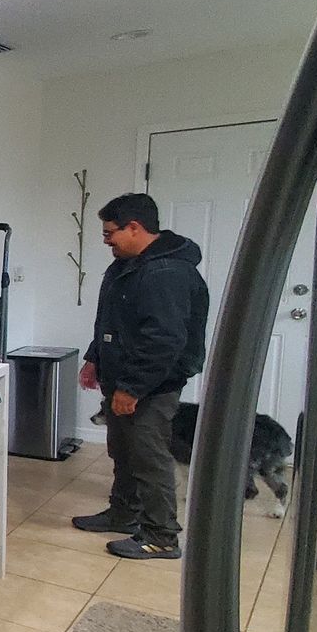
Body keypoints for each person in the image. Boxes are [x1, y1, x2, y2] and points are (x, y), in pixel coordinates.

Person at [74, 193, 209, 560]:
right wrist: (94, 358)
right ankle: (123, 514)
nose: (106, 241)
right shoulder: (127, 265)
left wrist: (132, 388)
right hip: (122, 377)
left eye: (109, 233)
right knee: (124, 451)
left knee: (149, 457)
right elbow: (112, 321)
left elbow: (163, 340)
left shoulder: (166, 272)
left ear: (134, 227)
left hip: (151, 385)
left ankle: (161, 536)